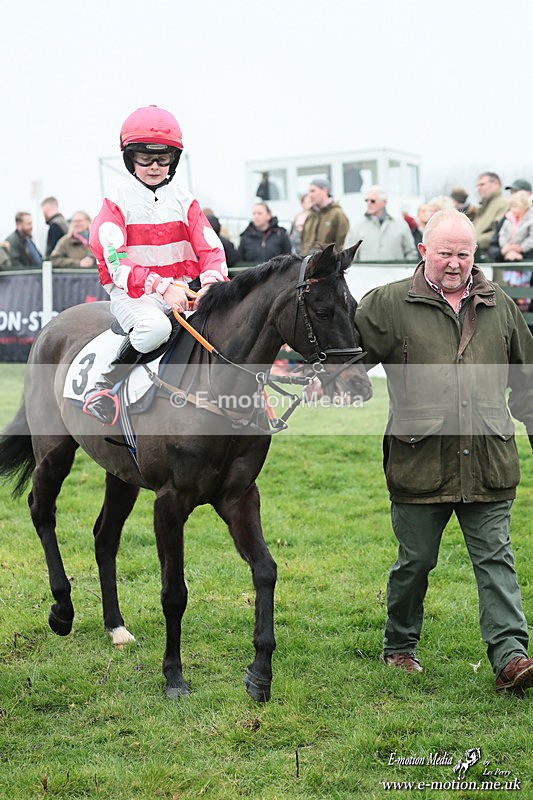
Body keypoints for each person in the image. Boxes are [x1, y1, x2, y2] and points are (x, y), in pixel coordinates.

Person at [354, 209, 533, 694]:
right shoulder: (387, 305)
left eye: (464, 254)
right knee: (415, 563)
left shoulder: (501, 305)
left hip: (489, 461)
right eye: (445, 253)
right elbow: (346, 358)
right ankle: (400, 647)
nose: (454, 264)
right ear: (423, 252)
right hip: (419, 463)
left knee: (496, 561)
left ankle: (511, 658)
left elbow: (527, 382)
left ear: (475, 255)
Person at [84, 104, 228, 424]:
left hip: (179, 289)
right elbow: (115, 260)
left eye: (163, 159)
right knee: (156, 327)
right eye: (145, 158)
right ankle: (103, 387)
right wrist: (161, 287)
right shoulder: (116, 200)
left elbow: (212, 249)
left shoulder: (185, 199)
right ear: (130, 158)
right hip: (132, 293)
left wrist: (211, 287)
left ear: (173, 161)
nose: (154, 166)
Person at [350, 186, 418, 262]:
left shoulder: (401, 225)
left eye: (373, 201)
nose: (368, 203)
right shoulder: (357, 228)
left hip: (397, 273)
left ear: (384, 202)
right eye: (366, 200)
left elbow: (411, 254)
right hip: (366, 273)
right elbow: (349, 257)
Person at [300, 178, 350, 256]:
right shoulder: (310, 216)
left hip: (327, 266)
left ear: (324, 191)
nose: (309, 195)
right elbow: (303, 242)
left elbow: (342, 245)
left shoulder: (338, 215)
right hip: (308, 265)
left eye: (313, 191)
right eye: (309, 191)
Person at [473, 172, 508, 258]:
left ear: (496, 184)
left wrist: (473, 242)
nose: (479, 188)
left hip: (491, 258)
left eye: (482, 184)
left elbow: (500, 233)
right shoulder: (484, 206)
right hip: (478, 255)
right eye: (477, 186)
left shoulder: (503, 204)